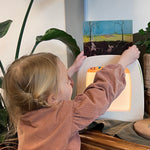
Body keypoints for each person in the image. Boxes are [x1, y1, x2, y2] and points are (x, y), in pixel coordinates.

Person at [2, 45, 140, 150]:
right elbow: (100, 95)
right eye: (65, 80)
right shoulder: (67, 113)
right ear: (52, 98)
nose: (69, 82)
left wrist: (72, 70)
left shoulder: (23, 114)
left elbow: (49, 92)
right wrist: (122, 63)